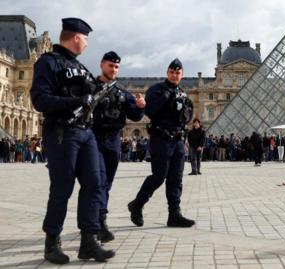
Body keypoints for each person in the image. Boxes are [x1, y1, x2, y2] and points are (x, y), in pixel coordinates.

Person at [30, 18, 115, 264]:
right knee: (62, 188)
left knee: (95, 184)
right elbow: (40, 100)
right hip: (62, 133)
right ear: (76, 37)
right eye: (86, 39)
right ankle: (52, 242)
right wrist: (75, 102)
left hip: (85, 133)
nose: (87, 44)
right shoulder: (48, 62)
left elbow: (91, 94)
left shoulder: (79, 65)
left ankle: (89, 241)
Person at [128, 58, 195, 228]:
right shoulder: (156, 90)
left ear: (182, 74)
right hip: (161, 139)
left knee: (176, 178)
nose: (174, 75)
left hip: (178, 141)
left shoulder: (184, 95)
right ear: (167, 73)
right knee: (159, 176)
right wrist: (166, 98)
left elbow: (188, 117)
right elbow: (149, 111)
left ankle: (174, 214)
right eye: (172, 72)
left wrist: (183, 110)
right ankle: (137, 204)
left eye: (177, 73)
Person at [92, 51, 145, 243]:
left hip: (113, 141)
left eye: (116, 67)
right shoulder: (90, 88)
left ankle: (99, 220)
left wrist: (140, 106)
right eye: (110, 66)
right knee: (97, 181)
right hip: (93, 139)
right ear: (102, 65)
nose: (113, 69)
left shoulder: (122, 93)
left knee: (106, 183)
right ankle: (99, 223)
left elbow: (135, 116)